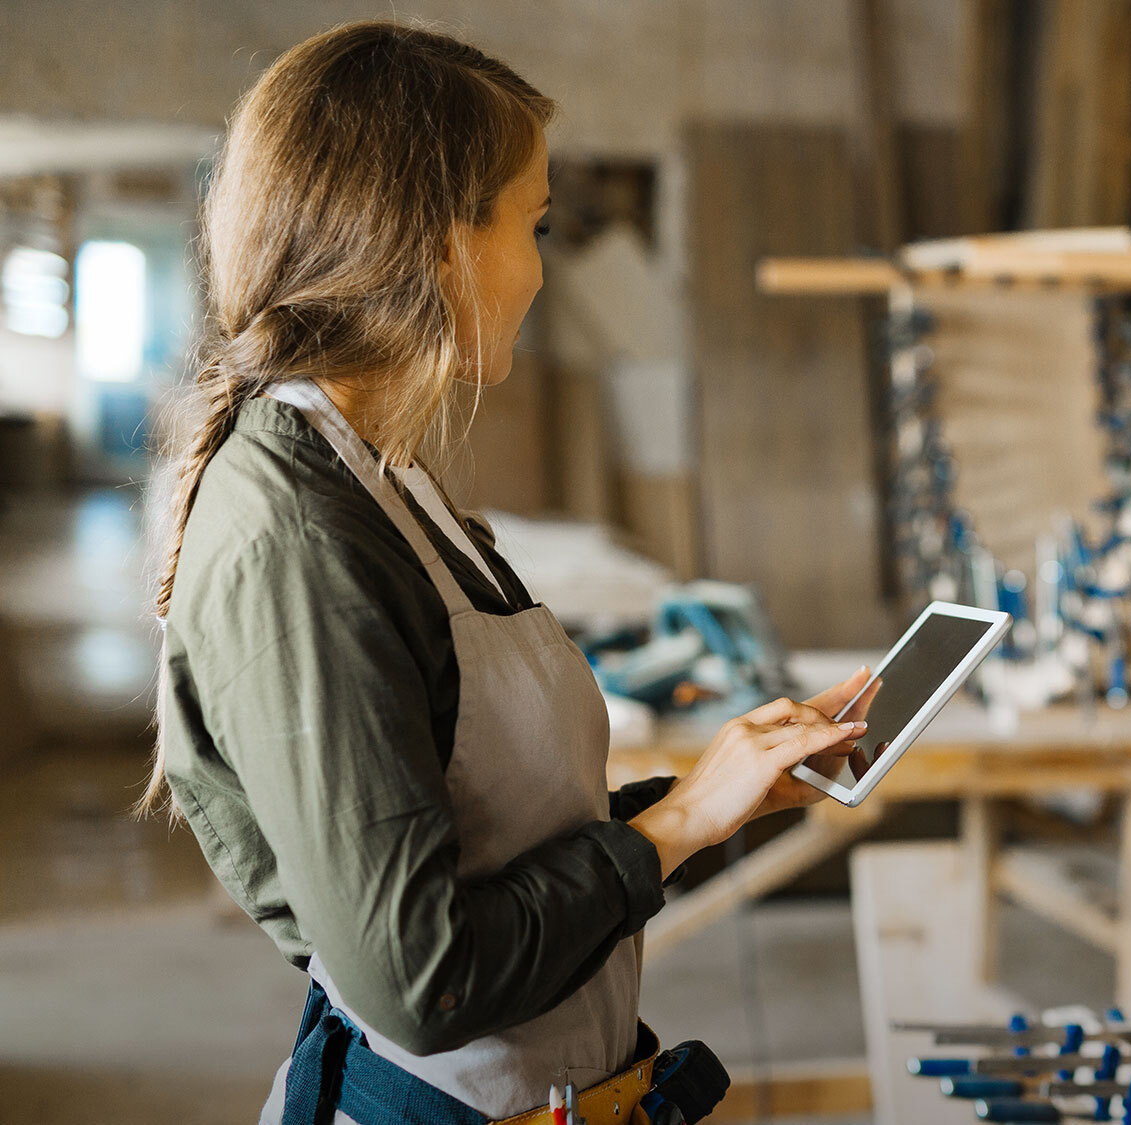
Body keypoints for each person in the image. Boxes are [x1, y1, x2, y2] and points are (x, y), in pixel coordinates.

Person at [142, 20, 873, 1124]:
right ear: (442, 244)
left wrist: (702, 798)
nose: (537, 268)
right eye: (530, 223)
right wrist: (667, 832)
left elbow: (482, 840)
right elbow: (420, 976)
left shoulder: (387, 481)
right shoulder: (293, 531)